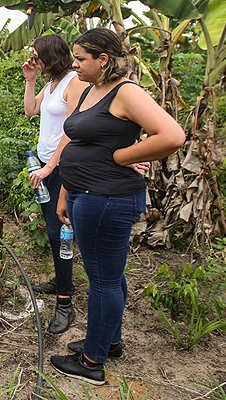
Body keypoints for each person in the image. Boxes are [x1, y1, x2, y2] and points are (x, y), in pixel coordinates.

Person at [50, 28, 185, 385]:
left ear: (103, 60)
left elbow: (172, 135)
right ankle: (108, 341)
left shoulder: (127, 92)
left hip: (106, 198)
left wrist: (122, 155)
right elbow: (76, 142)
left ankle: (91, 361)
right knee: (109, 274)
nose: (75, 64)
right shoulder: (93, 90)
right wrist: (66, 192)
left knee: (102, 279)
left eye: (81, 59)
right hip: (84, 193)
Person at [22, 35, 86, 334]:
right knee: (53, 231)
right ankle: (62, 282)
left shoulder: (73, 82)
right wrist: (31, 80)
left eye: (37, 56)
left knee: (60, 231)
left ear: (51, 55)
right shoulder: (51, 84)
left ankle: (65, 301)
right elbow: (30, 110)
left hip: (63, 167)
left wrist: (50, 166)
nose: (33, 59)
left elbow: (73, 129)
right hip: (47, 164)